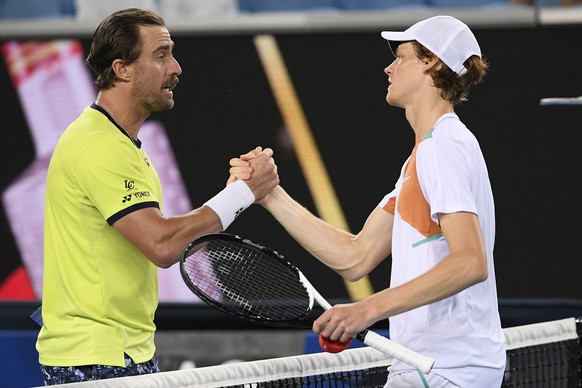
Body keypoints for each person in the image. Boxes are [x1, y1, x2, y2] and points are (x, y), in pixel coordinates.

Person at [231, 15, 505, 387]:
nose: (389, 67)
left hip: (444, 369)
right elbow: (356, 256)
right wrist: (269, 193)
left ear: (431, 62)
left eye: (401, 56)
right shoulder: (425, 155)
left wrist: (366, 310)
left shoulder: (442, 148)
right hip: (437, 367)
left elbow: (470, 262)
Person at [36, 8, 279, 385]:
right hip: (96, 361)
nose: (176, 67)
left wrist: (239, 193)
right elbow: (162, 243)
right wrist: (244, 193)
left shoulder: (118, 142)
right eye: (161, 55)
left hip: (119, 354)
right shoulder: (100, 146)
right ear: (122, 69)